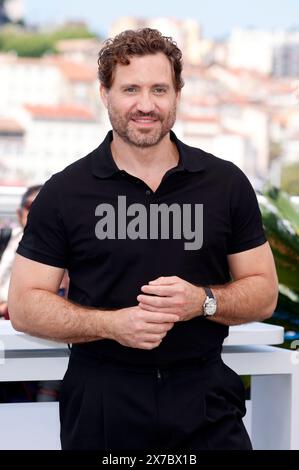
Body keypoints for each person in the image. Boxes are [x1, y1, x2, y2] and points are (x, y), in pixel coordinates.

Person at [8, 28, 278, 450]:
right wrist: (111, 324)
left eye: (159, 89)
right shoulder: (65, 191)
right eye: (130, 89)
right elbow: (24, 305)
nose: (146, 105)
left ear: (177, 94)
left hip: (205, 399)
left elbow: (264, 293)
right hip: (102, 399)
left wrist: (203, 301)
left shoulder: (224, 183)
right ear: (105, 94)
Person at [0, 185, 42, 319]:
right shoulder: (5, 238)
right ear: (19, 214)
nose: (35, 212)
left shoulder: (67, 247)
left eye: (40, 206)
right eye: (30, 206)